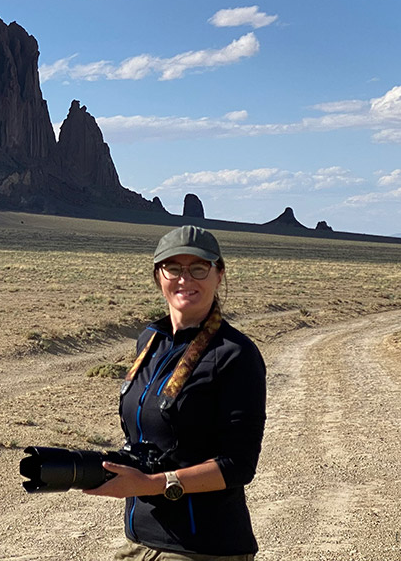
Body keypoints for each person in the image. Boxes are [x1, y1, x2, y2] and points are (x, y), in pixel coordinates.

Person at [85, 225, 266, 560]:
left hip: (203, 549)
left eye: (199, 268)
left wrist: (151, 484)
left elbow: (239, 465)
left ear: (219, 274)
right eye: (174, 268)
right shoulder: (150, 341)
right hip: (139, 541)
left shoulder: (234, 354)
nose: (186, 279)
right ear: (158, 275)